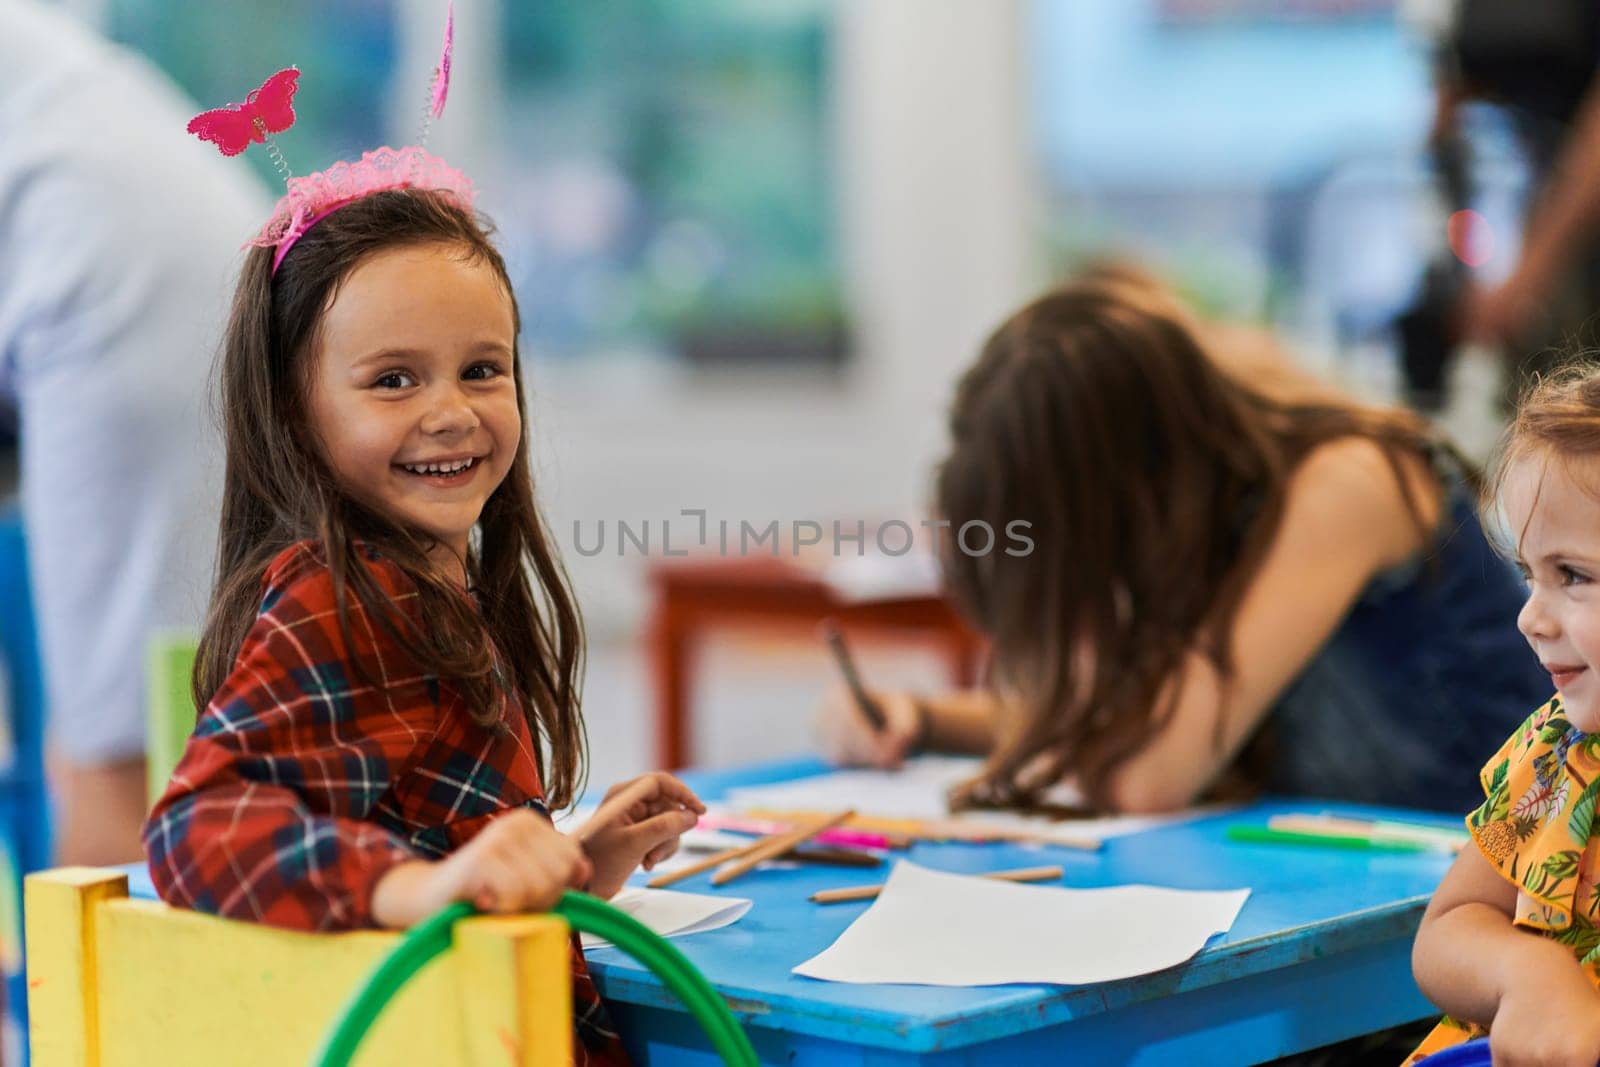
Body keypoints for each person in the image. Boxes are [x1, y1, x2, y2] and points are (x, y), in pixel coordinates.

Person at [141, 178, 702, 1062]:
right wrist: (423, 888)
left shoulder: (426, 584)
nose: (450, 413)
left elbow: (414, 830)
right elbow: (196, 830)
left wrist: (573, 865)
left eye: (482, 369)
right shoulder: (344, 596)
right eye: (393, 379)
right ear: (294, 410)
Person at [816, 270, 1549, 816]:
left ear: (1119, 497)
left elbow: (1149, 770)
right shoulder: (1208, 507)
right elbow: (1132, 716)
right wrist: (923, 718)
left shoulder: (1349, 483)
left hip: (1501, 909)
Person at [0, 0, 270, 863]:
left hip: (118, 271)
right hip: (133, 228)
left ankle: (116, 996)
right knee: (105, 730)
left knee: (126, 765)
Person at [1408, 366, 1600, 1065]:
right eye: (1529, 573)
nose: (1529, 617)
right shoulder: (1556, 754)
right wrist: (1531, 972)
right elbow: (1447, 927)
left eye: (1572, 575)